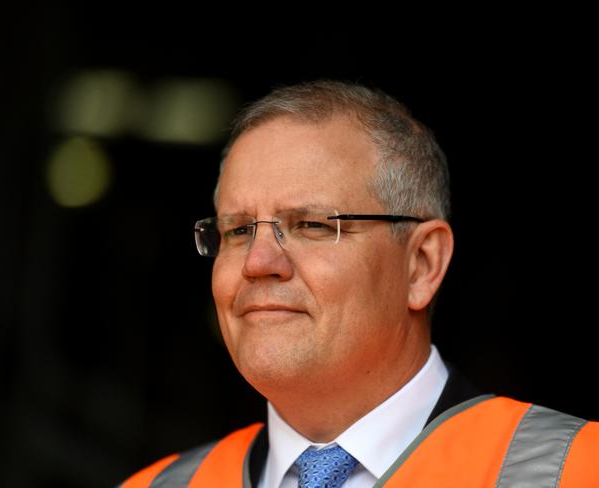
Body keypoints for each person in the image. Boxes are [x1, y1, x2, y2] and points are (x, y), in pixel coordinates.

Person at [120, 80, 598, 487]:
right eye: (238, 230)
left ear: (421, 265)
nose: (258, 261)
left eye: (311, 225)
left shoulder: (573, 470)